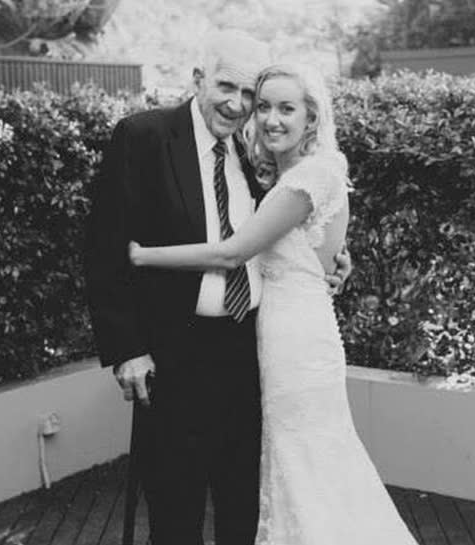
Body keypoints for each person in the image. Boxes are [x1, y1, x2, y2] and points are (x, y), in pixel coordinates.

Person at [128, 63, 418, 544]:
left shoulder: (310, 176)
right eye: (262, 106)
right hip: (278, 333)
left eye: (287, 108)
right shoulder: (278, 173)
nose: (270, 119)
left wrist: (143, 255)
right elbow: (316, 250)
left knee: (305, 463)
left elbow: (233, 251)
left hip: (296, 344)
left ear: (312, 117)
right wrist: (333, 262)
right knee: (296, 463)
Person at [83, 31, 351, 545]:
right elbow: (103, 250)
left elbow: (286, 229)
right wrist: (128, 350)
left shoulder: (255, 152)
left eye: (250, 94)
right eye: (227, 86)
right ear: (199, 79)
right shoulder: (144, 136)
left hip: (249, 351)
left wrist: (332, 258)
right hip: (173, 355)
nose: (238, 104)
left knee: (244, 504)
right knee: (176, 509)